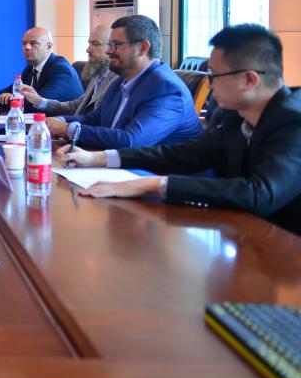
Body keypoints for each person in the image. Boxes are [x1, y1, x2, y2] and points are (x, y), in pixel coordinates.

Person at [59, 24, 301, 235]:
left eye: (214, 75)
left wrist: (154, 185)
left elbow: (259, 194)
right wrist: (98, 158)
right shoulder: (234, 115)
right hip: (241, 234)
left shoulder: (293, 122)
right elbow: (183, 154)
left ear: (249, 80)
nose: (210, 84)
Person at [47, 15, 202, 148]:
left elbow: (131, 140)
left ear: (143, 48)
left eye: (115, 45)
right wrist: (59, 121)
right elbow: (93, 119)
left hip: (159, 171)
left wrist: (68, 129)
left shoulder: (166, 89)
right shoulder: (120, 81)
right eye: (109, 44)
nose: (108, 51)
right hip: (119, 164)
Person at [20, 25, 119, 117]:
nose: (87, 50)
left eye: (96, 44)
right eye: (89, 43)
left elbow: (96, 120)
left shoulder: (118, 81)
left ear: (113, 48)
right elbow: (73, 107)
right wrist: (40, 101)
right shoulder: (97, 76)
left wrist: (68, 126)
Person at [0, 27, 83, 113]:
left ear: (49, 46)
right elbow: (3, 92)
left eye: (33, 43)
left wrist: (10, 99)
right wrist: (6, 96)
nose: (27, 47)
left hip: (63, 120)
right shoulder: (30, 69)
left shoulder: (61, 70)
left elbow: (38, 104)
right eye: (24, 43)